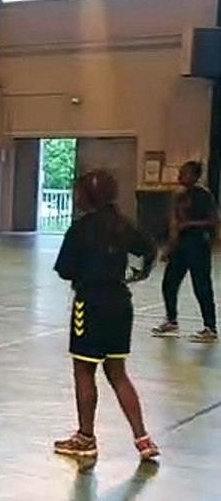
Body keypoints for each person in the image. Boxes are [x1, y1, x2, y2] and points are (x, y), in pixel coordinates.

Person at [52, 170, 160, 461]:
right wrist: (140, 273)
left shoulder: (80, 229)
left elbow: (65, 270)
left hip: (90, 304)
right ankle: (143, 438)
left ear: (87, 196)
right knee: (118, 373)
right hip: (120, 303)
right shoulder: (124, 225)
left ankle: (85, 438)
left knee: (84, 371)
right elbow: (150, 249)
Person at [151, 161, 217, 343]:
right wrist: (169, 246)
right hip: (181, 245)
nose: (181, 175)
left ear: (195, 176)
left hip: (197, 244)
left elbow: (212, 220)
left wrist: (189, 224)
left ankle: (210, 327)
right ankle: (171, 320)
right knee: (169, 283)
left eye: (185, 173)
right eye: (181, 172)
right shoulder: (178, 195)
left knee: (201, 285)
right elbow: (174, 223)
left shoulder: (203, 195)